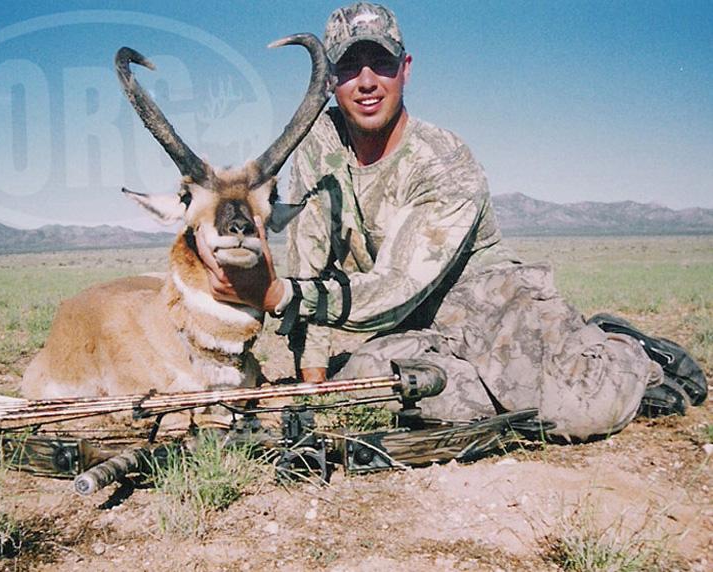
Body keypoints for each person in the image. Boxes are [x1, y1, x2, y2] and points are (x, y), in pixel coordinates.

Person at [199, 2, 707, 441]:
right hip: (418, 326)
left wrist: (279, 296)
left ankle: (626, 351)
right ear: (329, 81)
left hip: (488, 307)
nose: (368, 80)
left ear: (407, 69)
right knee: (367, 393)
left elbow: (395, 284)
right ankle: (492, 387)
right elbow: (311, 259)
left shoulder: (444, 160)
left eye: (382, 61)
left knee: (576, 413)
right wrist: (311, 390)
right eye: (350, 66)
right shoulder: (317, 146)